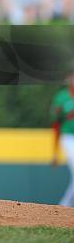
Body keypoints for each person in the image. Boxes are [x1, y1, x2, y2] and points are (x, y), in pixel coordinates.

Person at [50, 69, 74, 206]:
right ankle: (64, 207)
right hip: (69, 138)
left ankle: (64, 207)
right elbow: (56, 125)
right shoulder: (61, 98)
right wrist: (55, 151)